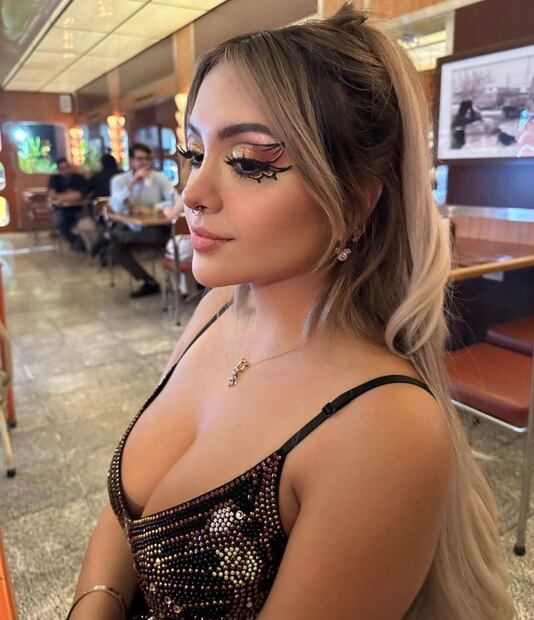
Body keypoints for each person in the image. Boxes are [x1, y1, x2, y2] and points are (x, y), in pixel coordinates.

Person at [71, 6, 514, 620]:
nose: (192, 194)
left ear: (355, 202)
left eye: (249, 161)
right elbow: (125, 513)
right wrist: (93, 605)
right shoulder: (217, 310)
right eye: (193, 152)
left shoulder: (383, 424)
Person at [104, 143, 177, 298]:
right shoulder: (119, 180)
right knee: (113, 249)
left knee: (156, 235)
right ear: (131, 161)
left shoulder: (160, 178)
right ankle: (149, 282)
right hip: (130, 226)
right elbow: (116, 207)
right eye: (139, 158)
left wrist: (153, 208)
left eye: (147, 158)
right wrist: (132, 184)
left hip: (154, 228)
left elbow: (175, 200)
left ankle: (112, 235)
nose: (144, 162)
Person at [47, 157, 88, 250]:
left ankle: (82, 243)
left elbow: (80, 194)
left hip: (78, 208)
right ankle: (74, 241)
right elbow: (52, 194)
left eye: (67, 167)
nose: (66, 171)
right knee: (58, 221)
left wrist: (62, 197)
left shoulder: (79, 178)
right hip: (61, 209)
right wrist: (69, 196)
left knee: (87, 222)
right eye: (62, 169)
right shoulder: (54, 179)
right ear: (58, 170)